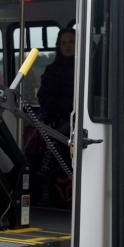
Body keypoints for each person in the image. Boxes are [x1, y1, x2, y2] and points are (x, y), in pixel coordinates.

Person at [35, 29, 75, 204]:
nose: (67, 46)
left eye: (71, 42)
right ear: (59, 46)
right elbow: (43, 96)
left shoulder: (85, 68)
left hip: (76, 121)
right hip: (54, 119)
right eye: (64, 42)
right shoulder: (51, 70)